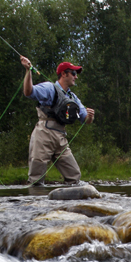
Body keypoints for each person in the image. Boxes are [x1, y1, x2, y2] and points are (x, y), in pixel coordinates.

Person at [20, 56, 95, 186]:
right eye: (73, 73)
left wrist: (90, 116)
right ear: (63, 74)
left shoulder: (73, 98)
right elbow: (28, 92)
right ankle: (34, 206)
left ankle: (65, 206)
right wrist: (28, 71)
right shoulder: (49, 88)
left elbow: (85, 120)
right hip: (44, 134)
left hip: (61, 137)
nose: (76, 76)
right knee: (36, 179)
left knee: (74, 176)